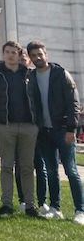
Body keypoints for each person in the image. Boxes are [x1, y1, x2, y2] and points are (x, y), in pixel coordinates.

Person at [27, 41, 84, 225]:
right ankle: (55, 208)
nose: (37, 57)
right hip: (44, 132)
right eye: (34, 55)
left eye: (40, 54)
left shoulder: (61, 74)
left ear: (46, 54)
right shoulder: (32, 77)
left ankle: (80, 210)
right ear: (30, 57)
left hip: (62, 130)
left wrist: (71, 129)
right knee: (51, 171)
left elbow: (74, 104)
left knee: (71, 171)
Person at [0, 40, 40, 217]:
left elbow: (38, 98)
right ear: (3, 54)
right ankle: (6, 204)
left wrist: (37, 123)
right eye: (7, 52)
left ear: (19, 54)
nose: (10, 55)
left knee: (27, 167)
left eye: (13, 52)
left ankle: (30, 205)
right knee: (6, 166)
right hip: (5, 126)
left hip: (29, 127)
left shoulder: (30, 74)